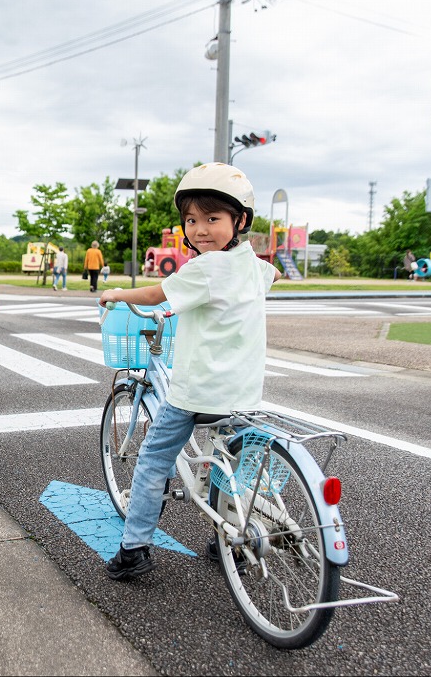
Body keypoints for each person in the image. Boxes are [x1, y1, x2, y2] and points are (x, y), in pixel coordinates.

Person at [98, 162, 281, 580]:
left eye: (212, 219)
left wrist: (116, 292)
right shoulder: (255, 267)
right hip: (244, 393)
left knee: (152, 460)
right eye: (192, 220)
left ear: (239, 221)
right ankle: (229, 539)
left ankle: (133, 550)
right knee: (228, 462)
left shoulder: (204, 268)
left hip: (197, 392)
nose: (200, 230)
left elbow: (155, 294)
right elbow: (274, 276)